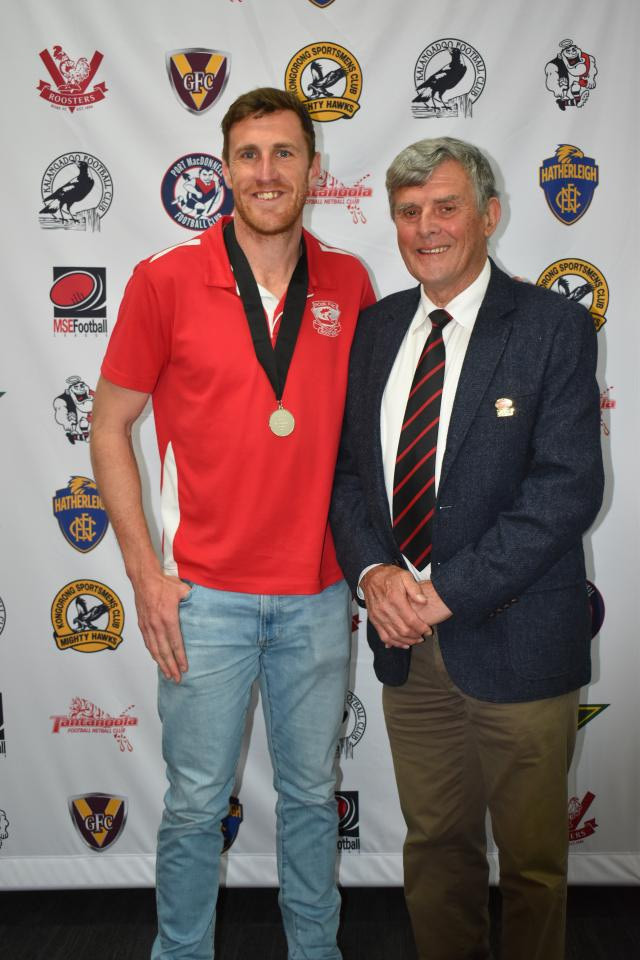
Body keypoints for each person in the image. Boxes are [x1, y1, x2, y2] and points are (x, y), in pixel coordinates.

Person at [90, 87, 374, 960]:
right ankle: (180, 952)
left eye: (284, 153)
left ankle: (315, 951)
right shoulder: (165, 279)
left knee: (312, 799)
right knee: (193, 805)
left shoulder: (350, 282)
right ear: (223, 170)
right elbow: (108, 426)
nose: (267, 172)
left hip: (318, 595)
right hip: (202, 598)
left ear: (314, 170)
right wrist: (145, 575)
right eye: (249, 154)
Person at [330, 136, 604, 960]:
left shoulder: (553, 326)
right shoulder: (375, 330)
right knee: (436, 852)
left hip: (519, 640)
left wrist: (443, 593)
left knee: (532, 867)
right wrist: (375, 574)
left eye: (446, 207)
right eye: (409, 211)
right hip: (409, 653)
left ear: (488, 214)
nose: (427, 227)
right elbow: (347, 476)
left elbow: (565, 490)